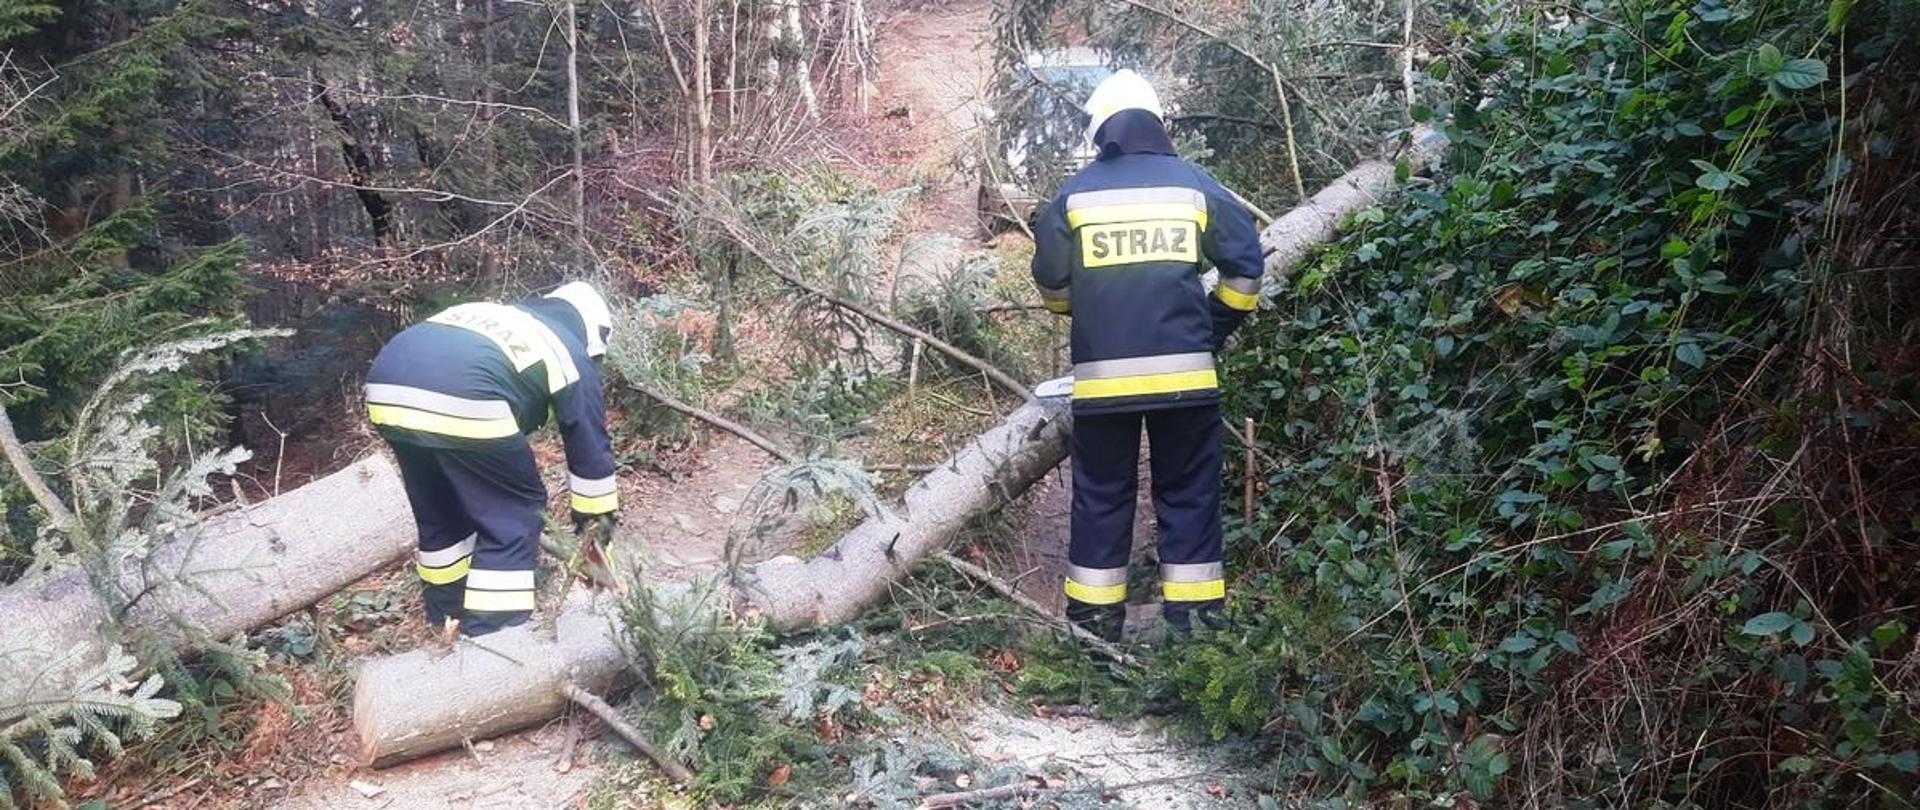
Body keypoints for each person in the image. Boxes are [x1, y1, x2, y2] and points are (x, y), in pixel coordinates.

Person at [1030, 69, 1266, 641]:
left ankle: (1093, 638)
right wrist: (1211, 328)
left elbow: (1050, 284)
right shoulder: (1193, 186)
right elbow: (1246, 269)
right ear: (1157, 124)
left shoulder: (1076, 195)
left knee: (1101, 502)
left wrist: (1087, 317)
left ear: (1103, 130)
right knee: (1188, 498)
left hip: (1103, 385)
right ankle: (1198, 641)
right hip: (1187, 379)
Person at [364, 282, 620, 636]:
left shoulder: (504, 316)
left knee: (441, 515)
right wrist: (596, 534)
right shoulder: (568, 348)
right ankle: (494, 641)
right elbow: (592, 461)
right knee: (513, 515)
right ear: (592, 333)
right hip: (465, 392)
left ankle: (445, 622)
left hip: (386, 388)